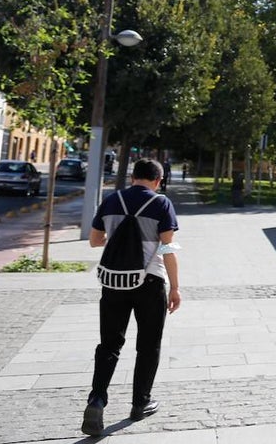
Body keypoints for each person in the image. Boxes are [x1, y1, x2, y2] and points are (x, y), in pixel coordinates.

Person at [81, 158, 181, 436]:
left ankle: (97, 399)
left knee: (109, 344)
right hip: (150, 283)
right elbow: (168, 249)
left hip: (114, 281)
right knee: (149, 345)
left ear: (133, 177)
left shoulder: (112, 200)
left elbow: (94, 240)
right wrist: (175, 287)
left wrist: (118, 237)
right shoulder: (161, 204)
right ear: (158, 181)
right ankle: (140, 403)